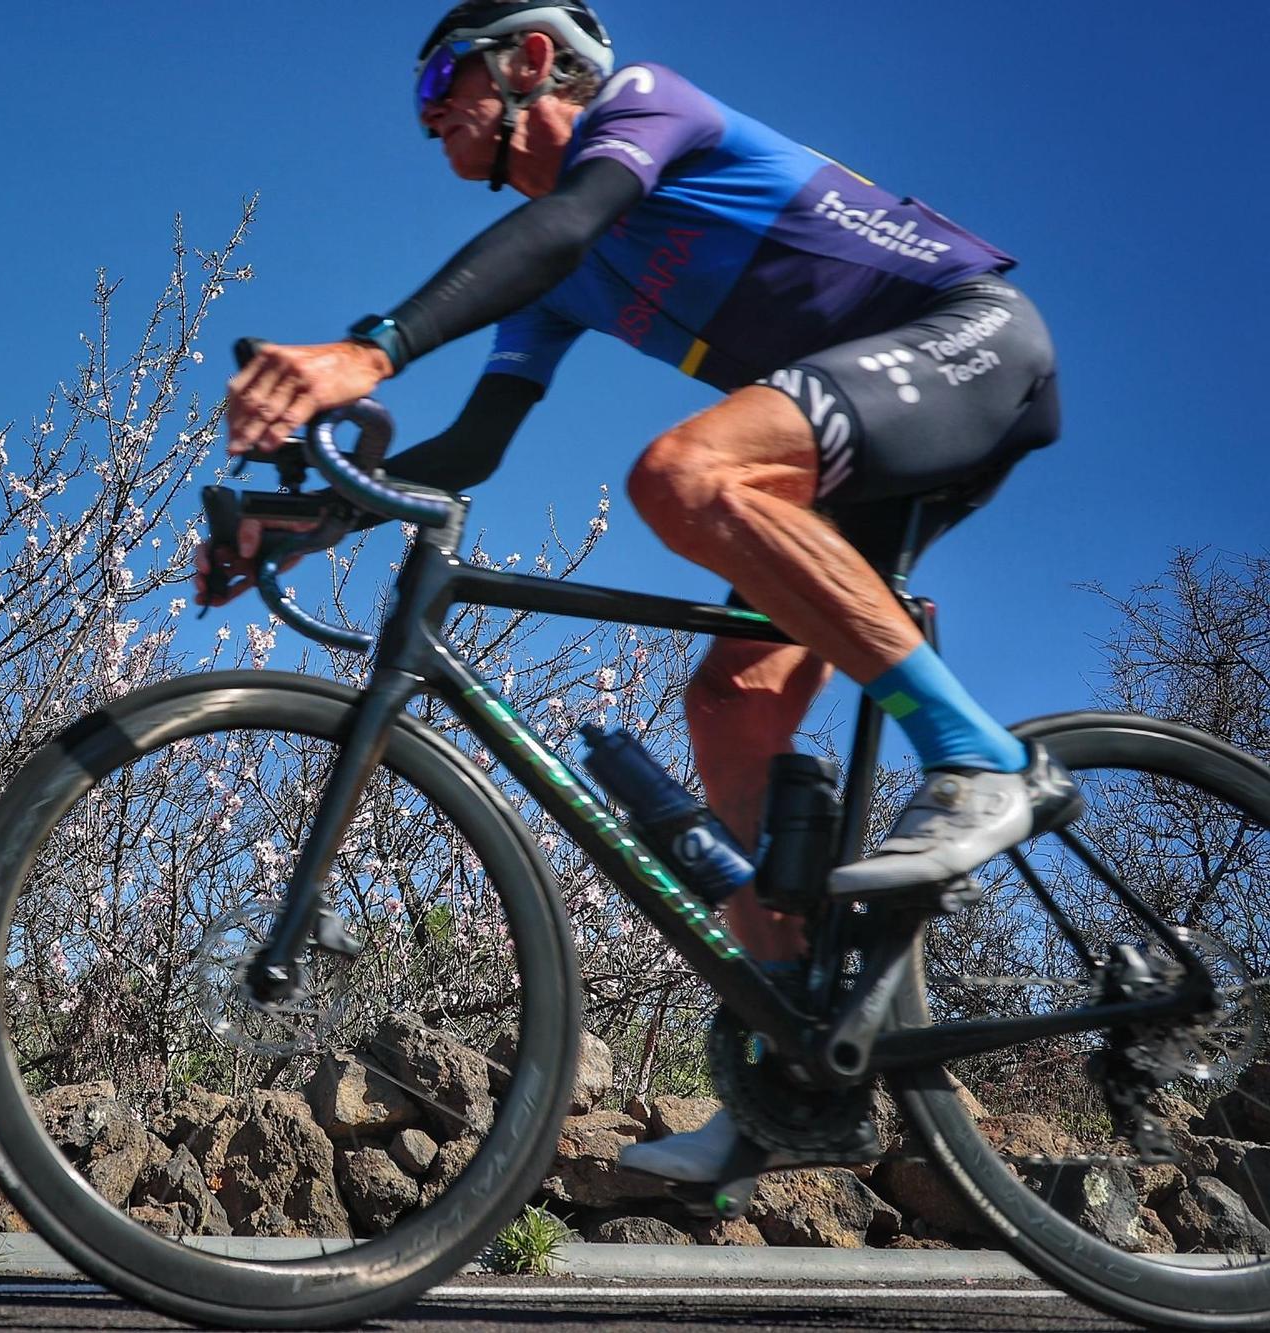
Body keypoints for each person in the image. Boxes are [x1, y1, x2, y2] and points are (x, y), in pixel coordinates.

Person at [193, 0, 1079, 1183]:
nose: (429, 123)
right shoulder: (560, 278)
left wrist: (373, 346)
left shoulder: (649, 107)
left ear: (532, 61)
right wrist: (300, 525)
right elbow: (471, 449)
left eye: (438, 85)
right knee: (728, 708)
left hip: (965, 342)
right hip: (855, 454)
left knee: (682, 474)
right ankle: (795, 1067)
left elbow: (568, 220)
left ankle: (980, 761)